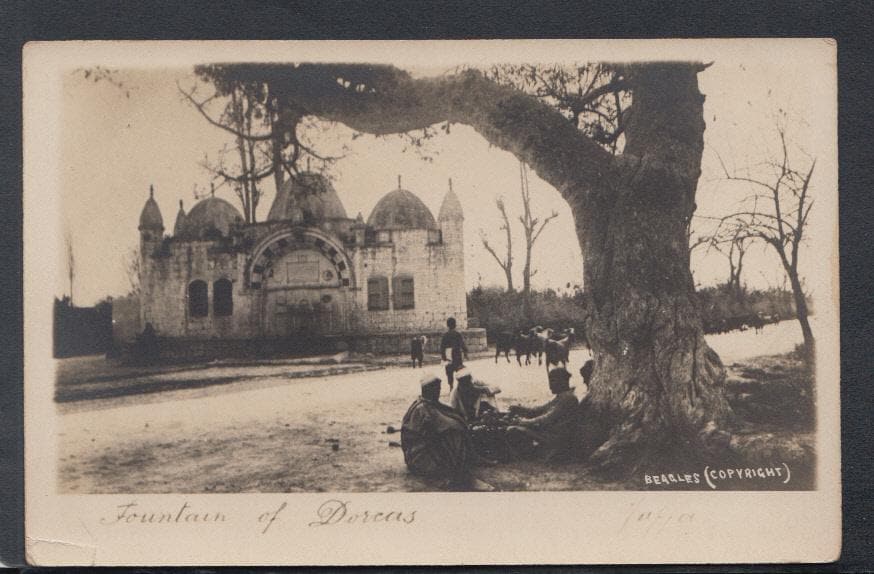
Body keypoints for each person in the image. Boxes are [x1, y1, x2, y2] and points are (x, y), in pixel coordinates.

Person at [400, 373, 474, 487]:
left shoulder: (429, 403)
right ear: (429, 390)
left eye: (439, 389)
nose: (438, 392)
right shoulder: (421, 408)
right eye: (437, 389)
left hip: (429, 445)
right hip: (419, 455)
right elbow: (433, 430)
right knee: (452, 437)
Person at [506, 367, 580, 461]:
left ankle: (529, 455)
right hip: (553, 433)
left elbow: (547, 418)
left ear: (562, 381)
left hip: (557, 437)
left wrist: (523, 422)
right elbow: (540, 410)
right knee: (519, 427)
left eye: (553, 381)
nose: (550, 385)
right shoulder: (563, 397)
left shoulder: (568, 399)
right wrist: (520, 409)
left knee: (513, 430)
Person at [440, 317, 468, 390]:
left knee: (449, 373)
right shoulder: (457, 334)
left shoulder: (445, 335)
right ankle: (460, 387)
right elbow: (462, 344)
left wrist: (443, 357)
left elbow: (442, 347)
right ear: (455, 325)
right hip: (457, 355)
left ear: (447, 325)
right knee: (460, 371)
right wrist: (465, 352)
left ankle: (451, 386)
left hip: (448, 356)